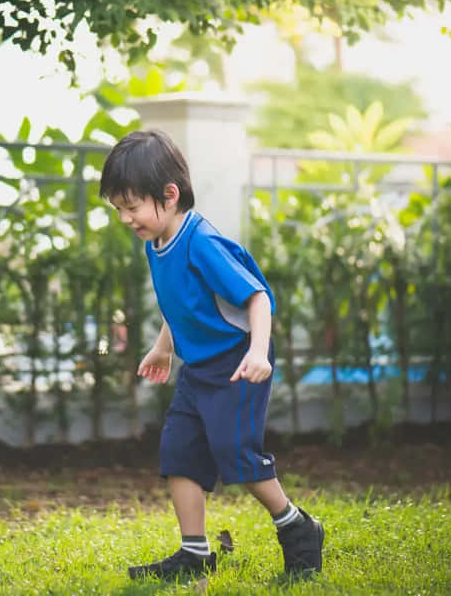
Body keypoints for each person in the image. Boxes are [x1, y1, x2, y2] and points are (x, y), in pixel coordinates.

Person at [98, 129, 324, 581]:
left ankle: (297, 527)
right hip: (199, 369)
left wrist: (259, 352)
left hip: (237, 363)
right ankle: (194, 552)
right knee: (178, 451)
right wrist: (164, 346)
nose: (126, 217)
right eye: (118, 208)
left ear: (169, 194)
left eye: (132, 206)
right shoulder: (156, 243)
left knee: (235, 453)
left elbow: (257, 297)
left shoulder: (202, 242)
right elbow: (178, 303)